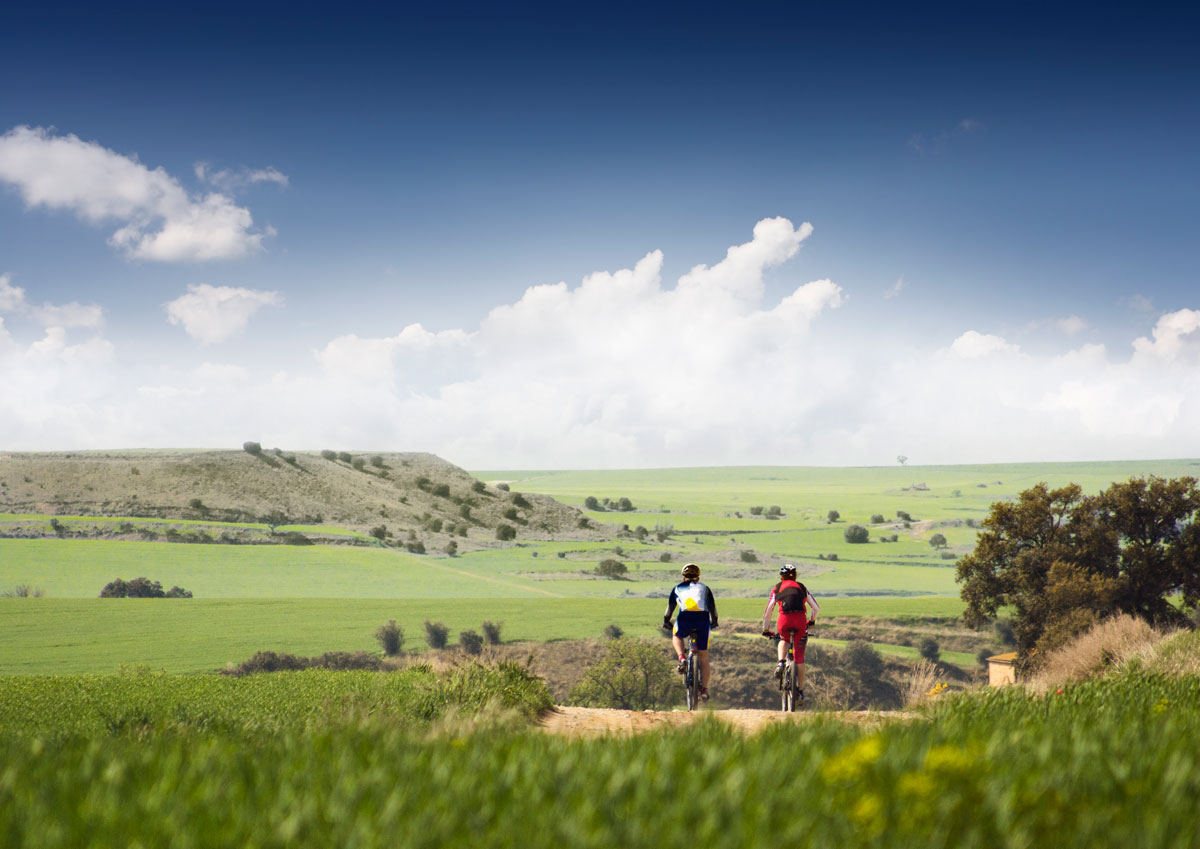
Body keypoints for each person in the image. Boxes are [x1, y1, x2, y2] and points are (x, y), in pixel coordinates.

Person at [762, 564, 819, 702]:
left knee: (784, 639)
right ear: (796, 575)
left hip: (785, 620)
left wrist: (765, 629)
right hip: (800, 621)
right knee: (799, 658)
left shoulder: (777, 588)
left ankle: (781, 662)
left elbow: (769, 611)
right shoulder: (802, 587)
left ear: (782, 576)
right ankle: (800, 691)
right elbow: (816, 608)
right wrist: (811, 621)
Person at [662, 563, 718, 701]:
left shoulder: (677, 588)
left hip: (685, 617)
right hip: (702, 619)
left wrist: (666, 621)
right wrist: (714, 621)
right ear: (698, 578)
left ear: (684, 578)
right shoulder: (705, 588)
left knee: (676, 635)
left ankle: (682, 658)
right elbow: (712, 608)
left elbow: (669, 609)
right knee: (704, 658)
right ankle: (704, 690)